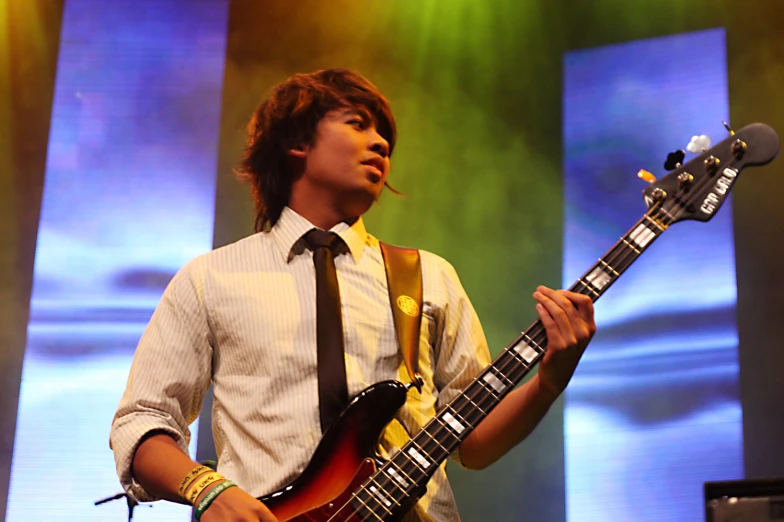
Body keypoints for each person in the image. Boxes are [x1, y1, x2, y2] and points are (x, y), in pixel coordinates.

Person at [110, 68, 596, 522]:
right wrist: (207, 489)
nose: (381, 142)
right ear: (298, 142)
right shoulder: (211, 277)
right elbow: (143, 420)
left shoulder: (428, 276)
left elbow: (474, 444)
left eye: (384, 134)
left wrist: (548, 382)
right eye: (358, 124)